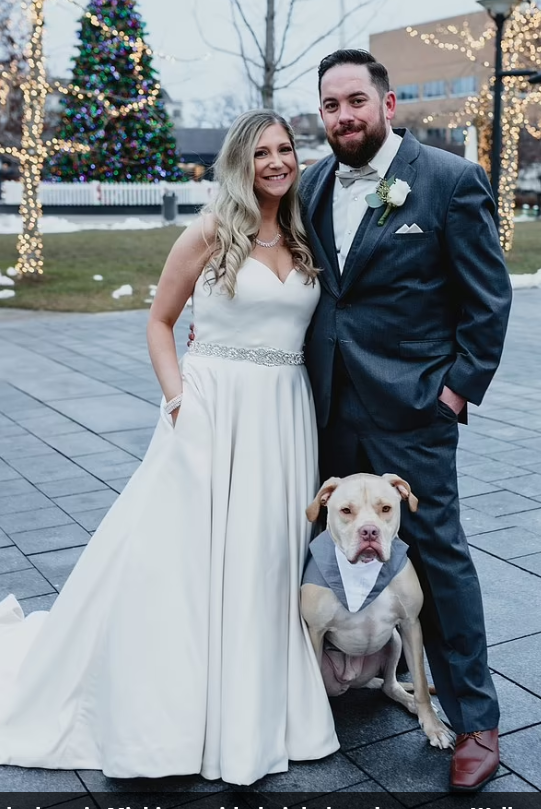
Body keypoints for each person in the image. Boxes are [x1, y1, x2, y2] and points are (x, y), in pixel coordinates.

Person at [0, 110, 339, 785]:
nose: (275, 161)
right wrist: (179, 399)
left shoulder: (302, 236)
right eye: (261, 152)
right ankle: (177, 713)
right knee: (186, 559)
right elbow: (159, 323)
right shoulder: (210, 230)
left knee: (264, 560)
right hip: (211, 408)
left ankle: (253, 703)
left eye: (284, 150)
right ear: (239, 163)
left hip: (282, 415)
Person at [299, 49, 512, 792]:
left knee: (441, 561)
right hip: (324, 407)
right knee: (313, 553)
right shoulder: (311, 181)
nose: (343, 117)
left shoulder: (450, 181)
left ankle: (475, 722)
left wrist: (454, 391)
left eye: (355, 101)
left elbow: (487, 299)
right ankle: (317, 688)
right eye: (330, 106)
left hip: (413, 411)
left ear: (387, 105)